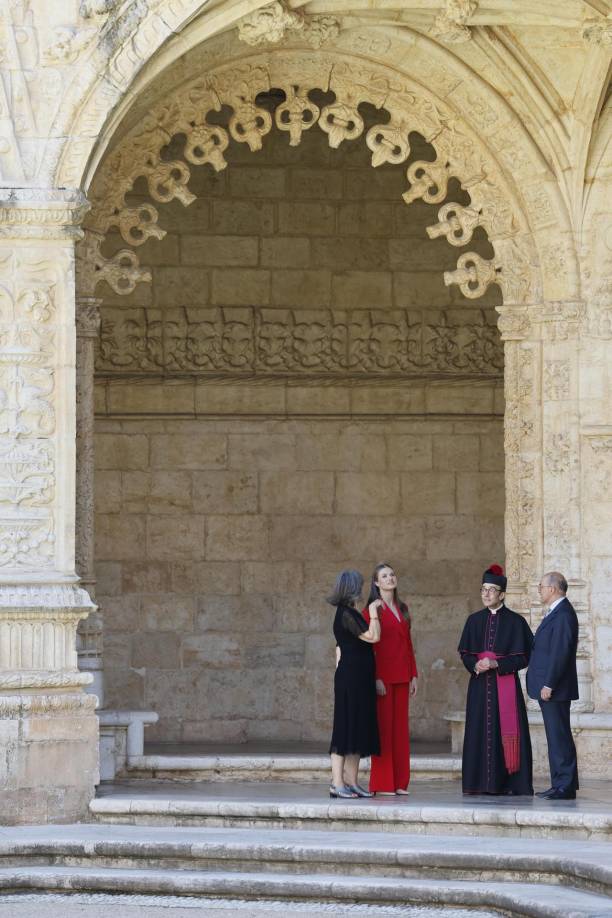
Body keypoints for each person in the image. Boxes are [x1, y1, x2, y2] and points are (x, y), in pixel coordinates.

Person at [458, 564, 534, 796]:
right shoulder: (473, 620)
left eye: (491, 590)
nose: (486, 594)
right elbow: (465, 653)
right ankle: (478, 783)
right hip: (480, 687)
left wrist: (497, 664)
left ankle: (509, 784)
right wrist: (475, 664)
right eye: (483, 589)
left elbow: (524, 657)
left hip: (506, 687)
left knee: (507, 733)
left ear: (501, 594)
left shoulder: (516, 622)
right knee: (478, 732)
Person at [363, 563, 418, 795]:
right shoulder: (371, 610)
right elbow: (369, 649)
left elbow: (408, 644)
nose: (390, 578)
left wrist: (414, 674)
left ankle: (400, 783)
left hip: (403, 675)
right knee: (384, 731)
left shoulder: (402, 608)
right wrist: (375, 678)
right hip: (383, 677)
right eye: (384, 576)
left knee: (400, 731)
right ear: (376, 583)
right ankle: (383, 783)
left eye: (392, 574)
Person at [328, 569, 381, 798]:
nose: (361, 589)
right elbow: (373, 637)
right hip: (350, 679)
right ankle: (337, 783)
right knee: (344, 729)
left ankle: (351, 782)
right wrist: (374, 613)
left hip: (360, 679)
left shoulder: (351, 613)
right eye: (359, 585)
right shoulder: (346, 614)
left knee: (357, 729)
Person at [527, 571, 579, 800]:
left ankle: (565, 786)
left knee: (559, 737)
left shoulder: (564, 614)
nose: (539, 590)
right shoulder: (556, 612)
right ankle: (559, 783)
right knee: (555, 737)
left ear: (552, 588)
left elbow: (560, 652)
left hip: (555, 688)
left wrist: (549, 684)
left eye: (541, 586)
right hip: (552, 687)